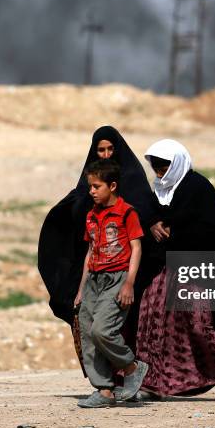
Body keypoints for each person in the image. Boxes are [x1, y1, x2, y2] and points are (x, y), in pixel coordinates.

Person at [136, 139, 215, 401]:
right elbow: (148, 215)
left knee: (198, 324)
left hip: (194, 268)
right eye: (156, 167)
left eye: (164, 167)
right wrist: (153, 225)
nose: (160, 173)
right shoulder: (159, 190)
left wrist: (176, 233)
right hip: (164, 269)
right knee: (153, 323)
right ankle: (156, 383)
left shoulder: (198, 188)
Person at [38, 126, 158, 327]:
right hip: (93, 269)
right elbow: (78, 213)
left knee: (110, 329)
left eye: (110, 149)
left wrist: (152, 221)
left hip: (125, 271)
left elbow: (144, 209)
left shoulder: (131, 176)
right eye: (101, 150)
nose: (106, 155)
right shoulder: (90, 181)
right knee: (89, 330)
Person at [75, 158, 148, 408]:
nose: (92, 191)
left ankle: (131, 367)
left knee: (102, 330)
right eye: (90, 187)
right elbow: (90, 251)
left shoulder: (127, 212)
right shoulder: (91, 216)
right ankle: (104, 390)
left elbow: (136, 248)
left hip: (117, 278)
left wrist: (129, 283)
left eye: (97, 186)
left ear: (112, 186)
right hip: (93, 280)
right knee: (87, 331)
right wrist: (80, 290)